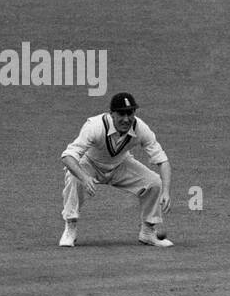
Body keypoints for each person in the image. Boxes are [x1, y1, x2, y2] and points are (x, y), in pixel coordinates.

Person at [59, 92, 173, 248]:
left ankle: (147, 232)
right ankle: (70, 228)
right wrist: (85, 178)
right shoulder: (95, 126)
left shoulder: (140, 128)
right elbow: (67, 156)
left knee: (154, 183)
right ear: (111, 113)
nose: (126, 119)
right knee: (74, 178)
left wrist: (166, 191)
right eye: (121, 114)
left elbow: (162, 160)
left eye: (130, 113)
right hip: (90, 163)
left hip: (120, 164)